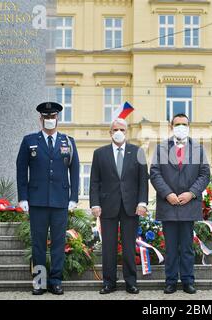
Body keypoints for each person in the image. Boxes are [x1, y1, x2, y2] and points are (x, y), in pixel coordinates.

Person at [16, 102, 79, 295]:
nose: (50, 120)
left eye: (53, 117)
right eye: (46, 117)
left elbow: (75, 170)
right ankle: (40, 281)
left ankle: (56, 280)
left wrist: (73, 197)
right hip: (37, 201)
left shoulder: (68, 141)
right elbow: (21, 170)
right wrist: (23, 197)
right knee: (38, 243)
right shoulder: (29, 141)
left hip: (60, 201)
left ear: (58, 118)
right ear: (40, 119)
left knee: (59, 242)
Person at [150, 113, 210, 294]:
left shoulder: (198, 148)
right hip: (168, 204)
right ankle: (170, 281)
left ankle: (187, 280)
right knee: (170, 247)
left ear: (189, 126)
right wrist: (167, 193)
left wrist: (191, 193)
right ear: (171, 126)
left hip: (188, 205)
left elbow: (205, 174)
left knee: (186, 247)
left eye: (184, 124)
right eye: (178, 124)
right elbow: (154, 172)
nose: (181, 127)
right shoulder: (161, 148)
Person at [89, 118, 149, 295]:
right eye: (115, 129)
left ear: (127, 131)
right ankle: (109, 282)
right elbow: (94, 182)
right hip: (107, 206)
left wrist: (142, 202)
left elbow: (143, 181)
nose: (118, 132)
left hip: (131, 207)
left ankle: (131, 282)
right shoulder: (99, 153)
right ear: (110, 132)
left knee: (129, 246)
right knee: (109, 246)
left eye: (122, 129)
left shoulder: (137, 151)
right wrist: (94, 203)